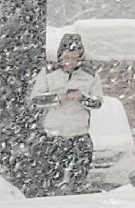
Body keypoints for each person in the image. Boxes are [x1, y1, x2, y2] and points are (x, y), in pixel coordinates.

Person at [28, 32, 103, 195]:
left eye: (75, 58)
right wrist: (57, 98)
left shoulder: (90, 75)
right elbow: (35, 100)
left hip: (79, 134)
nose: (70, 62)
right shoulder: (48, 73)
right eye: (67, 57)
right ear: (60, 56)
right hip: (53, 136)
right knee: (50, 180)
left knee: (78, 179)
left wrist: (81, 98)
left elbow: (97, 102)